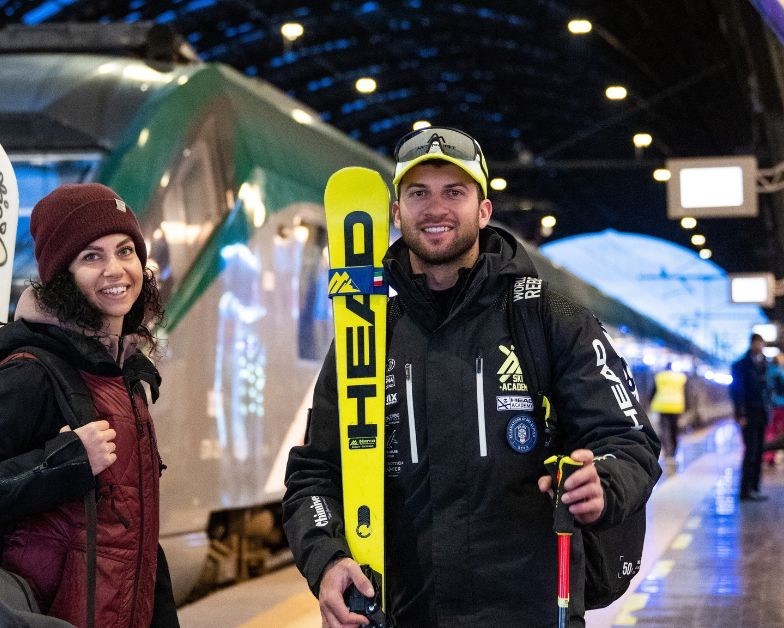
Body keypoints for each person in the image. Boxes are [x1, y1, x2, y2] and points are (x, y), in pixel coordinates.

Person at [282, 126, 661, 627]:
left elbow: (629, 440)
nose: (435, 209)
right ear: (396, 213)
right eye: (418, 193)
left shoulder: (550, 320)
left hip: (533, 613)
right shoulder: (365, 339)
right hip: (406, 614)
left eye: (454, 192)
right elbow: (314, 473)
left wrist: (605, 482)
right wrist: (327, 559)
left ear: (483, 211)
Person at [0, 183, 178, 627]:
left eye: (125, 251)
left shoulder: (125, 374)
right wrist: (62, 463)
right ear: (62, 278)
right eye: (91, 257)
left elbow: (136, 538)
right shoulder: (31, 373)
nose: (116, 270)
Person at [730, 333, 771, 501]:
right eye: (757, 343)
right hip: (749, 413)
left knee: (759, 451)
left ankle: (755, 487)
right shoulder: (741, 365)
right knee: (750, 451)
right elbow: (737, 391)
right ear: (752, 343)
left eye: (761, 343)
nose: (759, 346)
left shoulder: (765, 364)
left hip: (762, 413)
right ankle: (745, 490)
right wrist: (740, 414)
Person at [649, 364, 688, 459]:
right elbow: (686, 392)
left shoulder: (660, 377)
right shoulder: (680, 378)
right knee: (674, 429)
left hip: (662, 406)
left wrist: (650, 402)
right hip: (676, 406)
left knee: (664, 429)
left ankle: (667, 450)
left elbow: (653, 391)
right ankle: (674, 449)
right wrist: (687, 406)